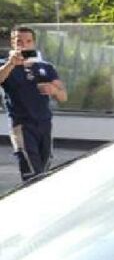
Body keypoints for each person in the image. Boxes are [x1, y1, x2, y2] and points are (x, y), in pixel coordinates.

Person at [0, 26, 66, 182]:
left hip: (44, 124)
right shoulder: (5, 65)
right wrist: (11, 64)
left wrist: (54, 90)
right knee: (32, 173)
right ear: (13, 43)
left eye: (28, 41)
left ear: (34, 43)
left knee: (44, 171)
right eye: (19, 41)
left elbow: (63, 96)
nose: (24, 45)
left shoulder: (45, 67)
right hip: (22, 126)